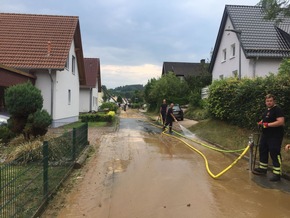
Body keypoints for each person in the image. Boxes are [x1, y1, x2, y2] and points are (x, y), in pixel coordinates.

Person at [252, 94, 285, 182]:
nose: (269, 102)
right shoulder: (266, 110)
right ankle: (263, 169)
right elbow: (265, 119)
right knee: (263, 149)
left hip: (275, 136)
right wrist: (261, 122)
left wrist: (268, 125)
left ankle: (277, 173)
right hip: (265, 135)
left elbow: (280, 122)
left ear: (274, 101)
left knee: (274, 152)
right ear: (265, 102)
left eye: (270, 101)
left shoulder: (277, 110)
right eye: (267, 101)